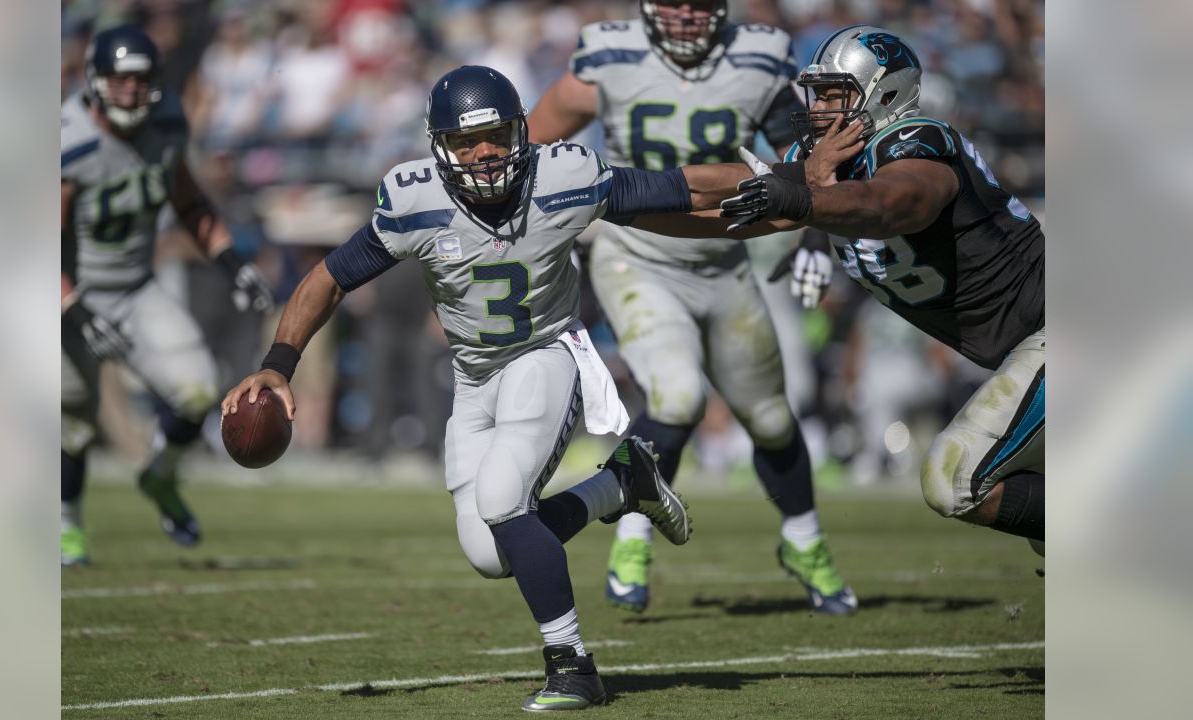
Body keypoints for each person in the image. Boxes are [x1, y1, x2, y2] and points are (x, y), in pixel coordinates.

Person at [221, 65, 761, 711]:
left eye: (498, 136)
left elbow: (680, 189)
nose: (485, 154)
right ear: (439, 146)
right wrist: (278, 363)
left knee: (504, 501)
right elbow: (328, 278)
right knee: (488, 552)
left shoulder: (562, 179)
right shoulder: (414, 201)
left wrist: (788, 183)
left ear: (521, 132)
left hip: (546, 352)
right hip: (474, 378)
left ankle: (573, 667)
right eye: (467, 142)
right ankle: (621, 483)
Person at [526, 0, 856, 615]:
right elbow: (531, 147)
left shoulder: (758, 56)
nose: (683, 15)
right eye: (671, 2)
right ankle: (632, 535)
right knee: (676, 396)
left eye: (697, 4)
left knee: (772, 418)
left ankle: (804, 542)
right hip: (636, 256)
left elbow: (813, 160)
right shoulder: (609, 52)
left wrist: (817, 232)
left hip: (724, 262)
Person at [720, 26, 1045, 548]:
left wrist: (802, 204)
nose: (820, 108)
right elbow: (714, 195)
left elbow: (896, 204)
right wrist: (622, 194)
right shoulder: (833, 169)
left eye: (835, 94)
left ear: (884, 93)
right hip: (1021, 351)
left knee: (955, 479)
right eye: (817, 94)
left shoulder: (917, 140)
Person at [61, 25, 273, 565]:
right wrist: (76, 308)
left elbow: (189, 202)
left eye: (140, 80)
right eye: (120, 80)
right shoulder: (71, 140)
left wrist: (232, 263)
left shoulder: (167, 123)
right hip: (67, 294)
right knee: (73, 420)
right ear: (96, 82)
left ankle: (159, 477)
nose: (131, 91)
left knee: (199, 390)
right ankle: (66, 527)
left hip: (135, 288)